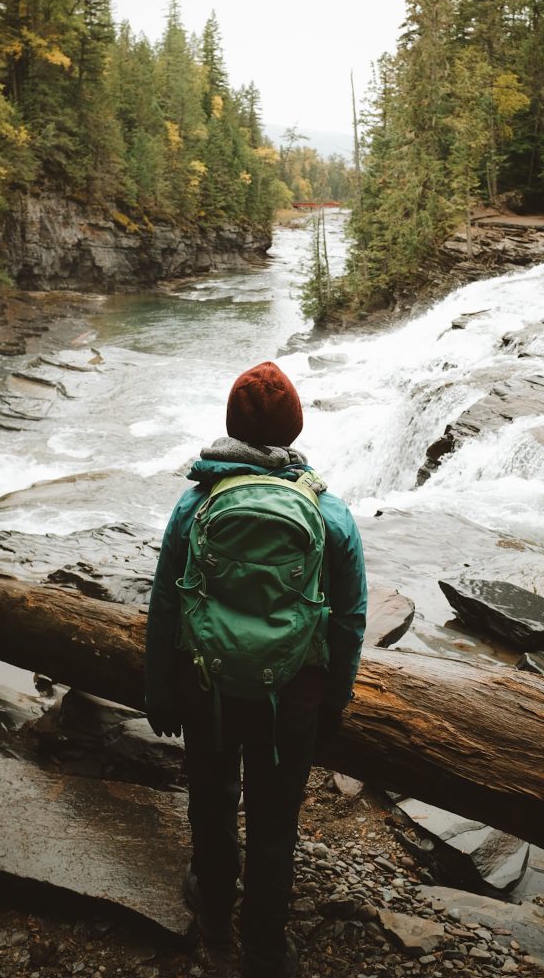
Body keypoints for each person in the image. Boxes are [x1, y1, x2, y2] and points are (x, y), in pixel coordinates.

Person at [145, 360, 367, 978]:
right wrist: (335, 700)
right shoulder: (329, 513)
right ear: (294, 431)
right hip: (291, 695)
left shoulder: (195, 504)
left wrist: (157, 691)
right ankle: (266, 949)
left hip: (205, 686)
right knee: (275, 822)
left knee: (211, 802)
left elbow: (166, 604)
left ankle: (214, 912)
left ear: (230, 428)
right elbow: (349, 619)